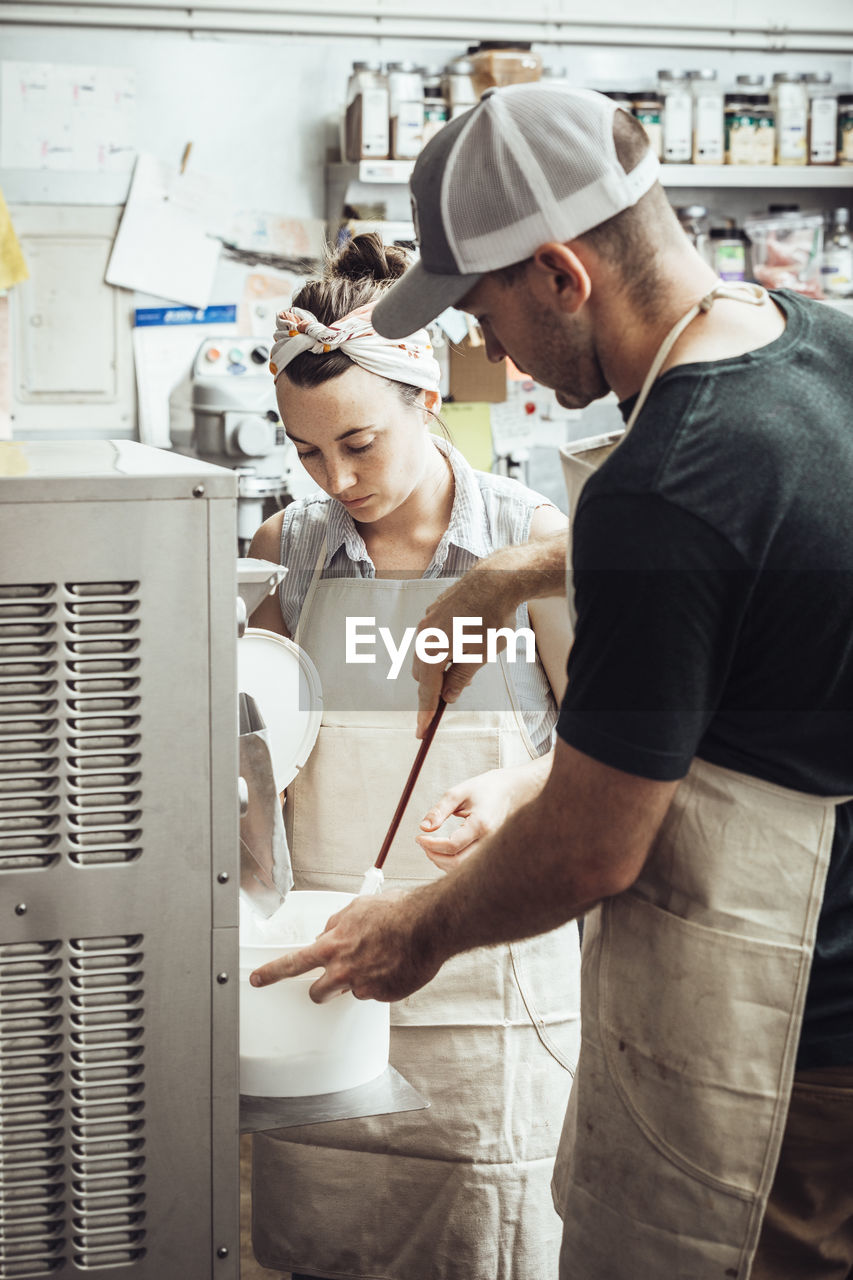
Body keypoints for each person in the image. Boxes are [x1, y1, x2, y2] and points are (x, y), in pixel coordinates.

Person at [251, 87, 853, 1279]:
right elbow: (760, 536)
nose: (487, 353)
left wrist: (409, 932)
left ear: (560, 275)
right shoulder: (816, 346)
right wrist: (521, 570)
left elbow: (589, 847)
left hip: (781, 1026)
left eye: (481, 311)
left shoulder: (662, 479)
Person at [246, 232, 581, 1280]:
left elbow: (605, 736)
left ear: (426, 394)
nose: (336, 477)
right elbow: (255, 742)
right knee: (331, 1237)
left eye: (359, 441)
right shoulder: (282, 551)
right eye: (306, 451)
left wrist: (514, 783)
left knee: (485, 1230)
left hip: (489, 969)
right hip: (326, 970)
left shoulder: (528, 542)